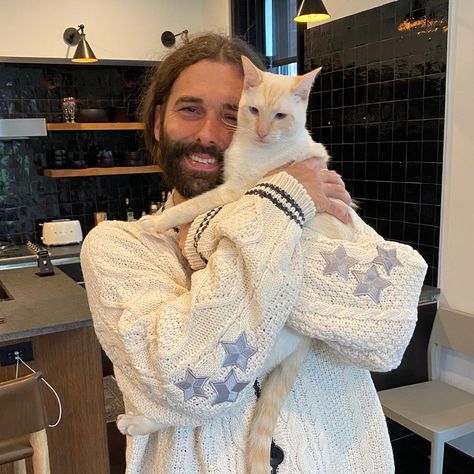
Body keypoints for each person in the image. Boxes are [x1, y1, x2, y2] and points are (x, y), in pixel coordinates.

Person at [81, 33, 427, 473]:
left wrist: (275, 210)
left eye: (230, 115)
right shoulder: (121, 247)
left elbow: (387, 332)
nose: (208, 134)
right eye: (190, 109)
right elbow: (193, 381)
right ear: (156, 123)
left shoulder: (315, 197)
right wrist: (276, 207)